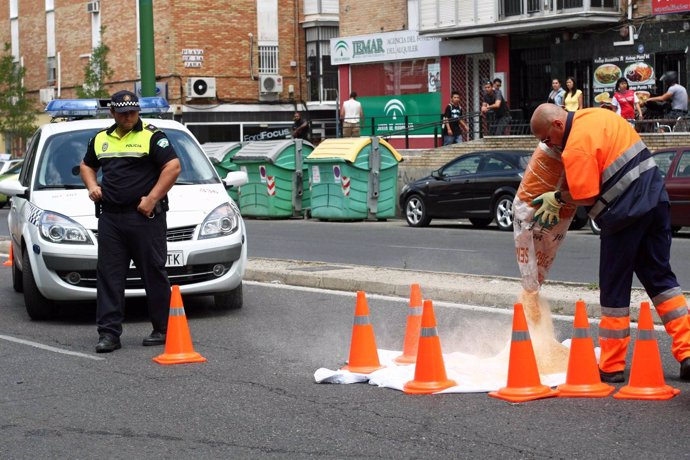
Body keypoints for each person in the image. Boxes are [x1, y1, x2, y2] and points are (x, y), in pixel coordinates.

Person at [529, 103, 690, 383]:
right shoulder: (598, 115)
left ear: (557, 125)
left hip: (625, 213)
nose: (548, 145)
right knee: (660, 279)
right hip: (656, 201)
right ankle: (688, 352)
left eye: (546, 139)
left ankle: (612, 364)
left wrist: (557, 198)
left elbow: (587, 195)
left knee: (615, 287)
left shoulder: (576, 144)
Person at [80, 90, 182, 353]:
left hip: (144, 217)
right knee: (110, 276)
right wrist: (92, 186)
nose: (128, 117)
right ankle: (109, 334)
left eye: (133, 112)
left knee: (154, 273)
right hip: (111, 217)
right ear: (112, 112)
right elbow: (86, 165)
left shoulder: (152, 135)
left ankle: (162, 328)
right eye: (123, 112)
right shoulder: (101, 138)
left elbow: (172, 167)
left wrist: (151, 199)